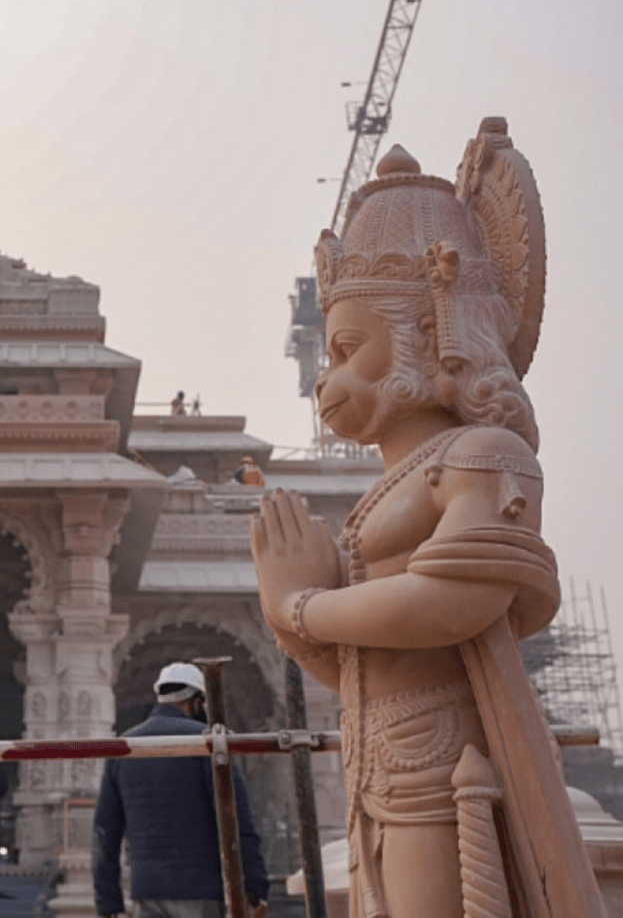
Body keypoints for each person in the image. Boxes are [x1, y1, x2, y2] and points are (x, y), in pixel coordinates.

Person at [251, 130, 603, 917]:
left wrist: (298, 607)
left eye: (347, 352)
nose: (324, 382)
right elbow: (356, 661)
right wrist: (299, 623)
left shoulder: (483, 456)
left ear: (430, 335)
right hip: (385, 754)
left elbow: (454, 602)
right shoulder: (380, 497)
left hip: (453, 764)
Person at [93, 662, 268, 918]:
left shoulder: (124, 748)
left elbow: (104, 835)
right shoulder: (208, 744)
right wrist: (255, 888)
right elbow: (239, 823)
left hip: (147, 890)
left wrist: (108, 904)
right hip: (201, 890)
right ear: (197, 701)